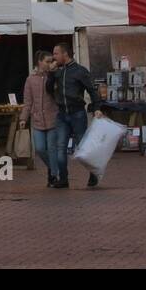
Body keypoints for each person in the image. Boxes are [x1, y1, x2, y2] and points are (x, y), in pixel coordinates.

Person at [46, 42, 103, 189]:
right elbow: (48, 89)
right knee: (61, 147)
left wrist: (97, 107)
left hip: (77, 113)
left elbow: (92, 90)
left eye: (56, 53)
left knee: (83, 147)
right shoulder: (58, 71)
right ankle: (63, 179)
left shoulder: (80, 71)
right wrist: (51, 74)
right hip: (62, 114)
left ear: (65, 54)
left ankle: (93, 173)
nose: (54, 57)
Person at [18, 51, 60, 185]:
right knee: (40, 148)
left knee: (52, 148)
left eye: (51, 61)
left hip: (53, 117)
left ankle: (54, 175)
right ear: (39, 62)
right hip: (37, 119)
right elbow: (27, 101)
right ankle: (52, 168)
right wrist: (23, 118)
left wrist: (54, 75)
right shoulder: (30, 79)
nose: (50, 64)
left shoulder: (54, 76)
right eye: (47, 61)